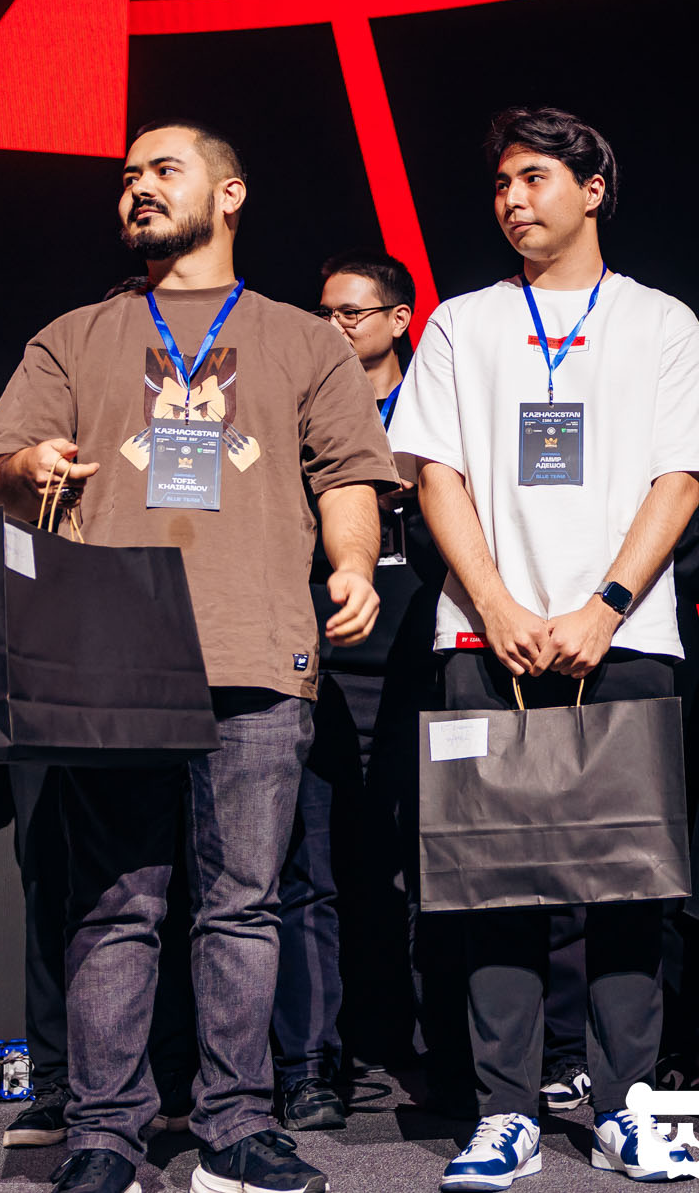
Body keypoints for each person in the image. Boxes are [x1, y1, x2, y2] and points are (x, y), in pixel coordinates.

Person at [0, 120, 398, 1193]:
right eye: (128, 177)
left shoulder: (304, 339)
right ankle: (104, 1134)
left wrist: (352, 565)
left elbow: (349, 475)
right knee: (114, 905)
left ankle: (237, 1125)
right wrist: (31, 464)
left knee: (242, 907)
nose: (139, 189)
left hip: (257, 650)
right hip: (111, 661)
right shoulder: (74, 336)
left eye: (164, 171)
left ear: (231, 192)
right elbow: (1, 469)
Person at [389, 105, 699, 1189]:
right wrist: (493, 603)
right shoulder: (461, 323)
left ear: (593, 190)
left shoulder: (660, 321)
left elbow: (681, 478)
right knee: (496, 880)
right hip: (482, 635)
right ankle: (506, 1112)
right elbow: (435, 473)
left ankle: (626, 1105)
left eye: (534, 177)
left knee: (628, 880)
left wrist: (606, 606)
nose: (512, 199)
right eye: (500, 182)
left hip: (623, 638)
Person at [4, 277, 199, 1153]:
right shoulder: (66, 378)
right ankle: (61, 1083)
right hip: (72, 655)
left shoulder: (201, 402)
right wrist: (31, 467)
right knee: (62, 878)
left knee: (181, 886)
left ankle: (176, 1076)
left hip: (185, 653)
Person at [270, 248, 440, 1131]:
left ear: (399, 319)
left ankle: (438, 1051)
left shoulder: (436, 407)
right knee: (315, 870)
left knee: (429, 866)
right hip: (320, 661)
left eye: (351, 312)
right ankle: (315, 1063)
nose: (332, 326)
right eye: (323, 311)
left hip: (424, 661)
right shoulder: (300, 408)